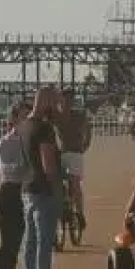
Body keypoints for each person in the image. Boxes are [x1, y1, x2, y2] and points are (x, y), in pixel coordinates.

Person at [19, 87, 69, 269]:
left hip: (28, 189)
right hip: (44, 191)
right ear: (47, 102)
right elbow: (48, 164)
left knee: (29, 241)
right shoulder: (44, 129)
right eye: (56, 103)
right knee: (44, 241)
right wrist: (59, 187)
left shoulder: (23, 126)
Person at [0, 103, 29, 269]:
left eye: (28, 117)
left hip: (24, 193)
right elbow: (8, 168)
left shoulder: (30, 140)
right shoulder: (5, 143)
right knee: (8, 240)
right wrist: (26, 162)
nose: (26, 121)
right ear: (13, 119)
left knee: (17, 241)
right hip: (8, 193)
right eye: (22, 117)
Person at [54, 89, 93, 235]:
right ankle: (59, 208)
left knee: (75, 183)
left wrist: (86, 144)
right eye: (65, 100)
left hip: (76, 152)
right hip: (61, 154)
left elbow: (88, 128)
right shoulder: (55, 116)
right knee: (54, 182)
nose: (67, 103)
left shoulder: (79, 115)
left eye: (70, 100)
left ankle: (80, 214)